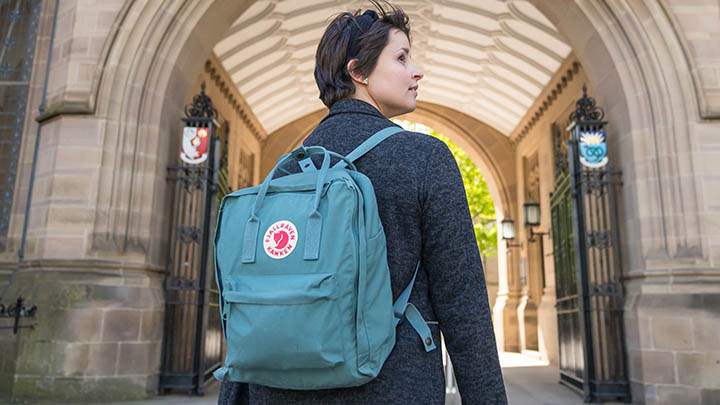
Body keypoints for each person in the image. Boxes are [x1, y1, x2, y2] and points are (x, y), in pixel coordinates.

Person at [218, 1, 507, 403]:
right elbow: (463, 302)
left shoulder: (286, 170)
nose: (416, 70)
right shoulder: (425, 158)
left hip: (280, 390)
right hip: (392, 386)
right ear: (358, 72)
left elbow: (251, 292)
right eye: (402, 57)